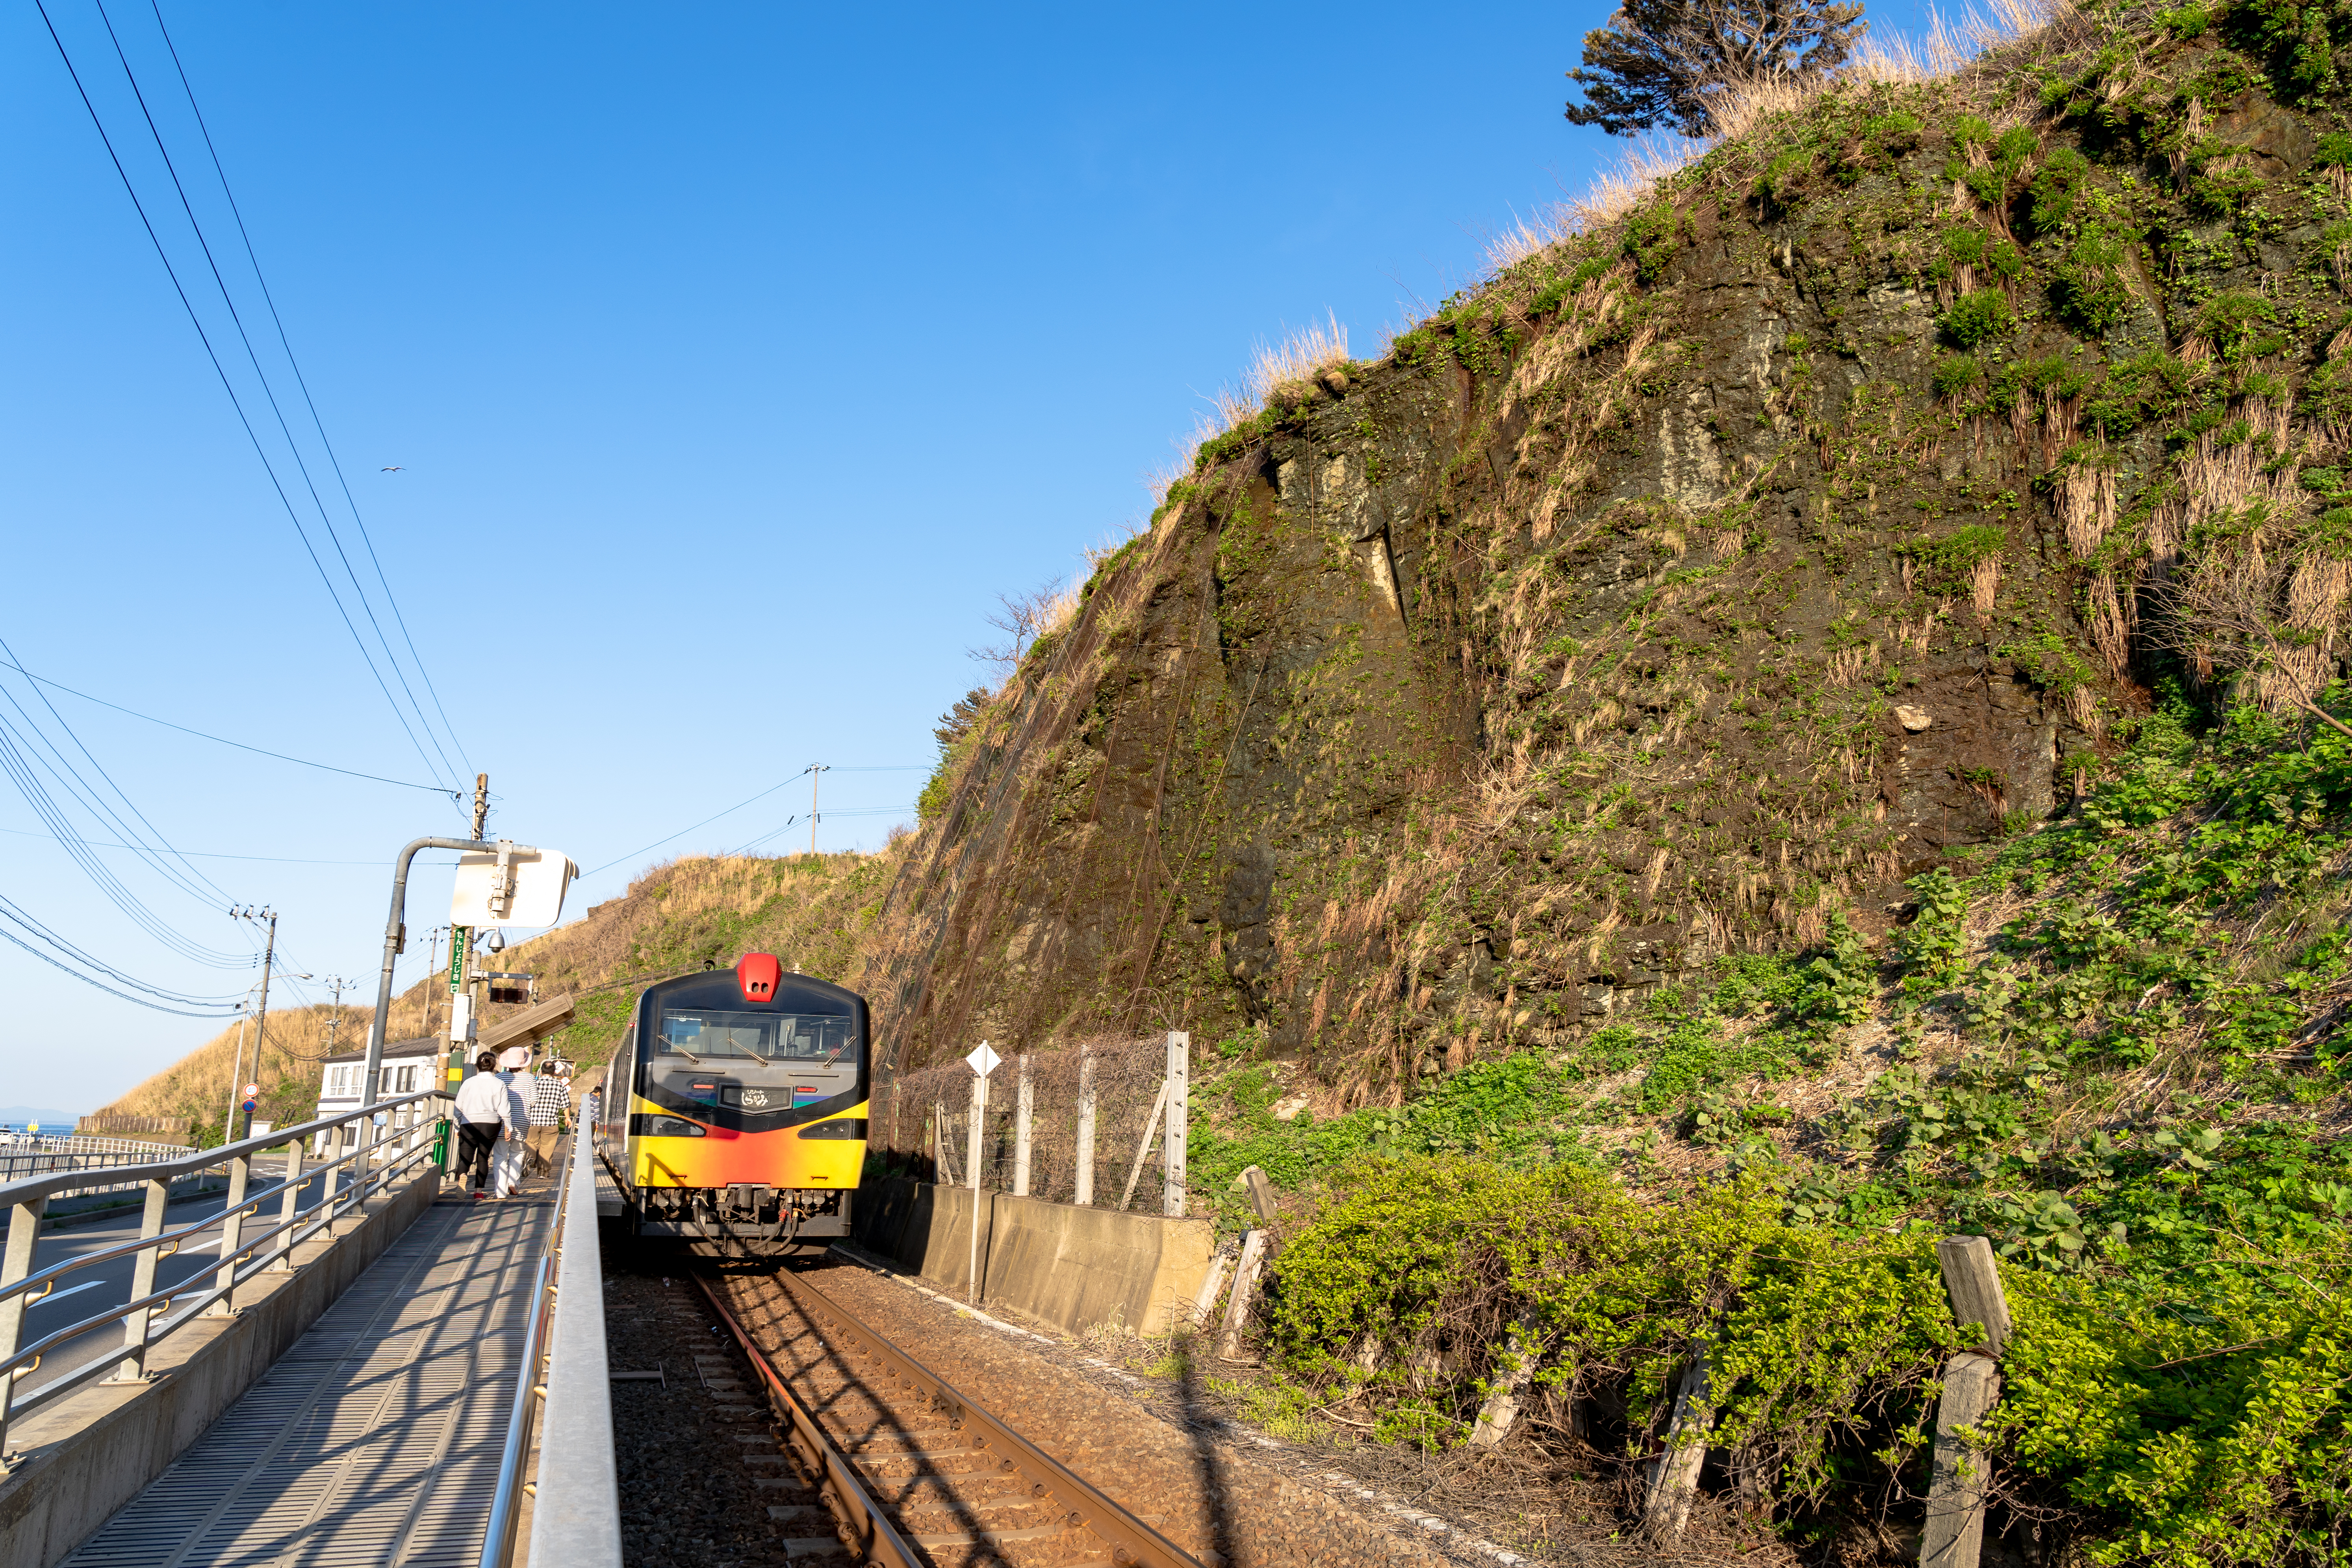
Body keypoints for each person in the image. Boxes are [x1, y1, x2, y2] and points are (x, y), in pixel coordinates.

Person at [452, 1051, 510, 1198]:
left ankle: (463, 1175)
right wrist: (509, 1127)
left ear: (478, 1065)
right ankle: (478, 1192)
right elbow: (504, 1109)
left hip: (469, 1123)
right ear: (494, 1066)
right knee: (483, 1158)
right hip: (491, 1124)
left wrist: (457, 1126)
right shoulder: (499, 1083)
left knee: (465, 1156)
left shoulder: (468, 1083)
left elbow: (459, 1107)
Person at [489, 1064, 529, 1199]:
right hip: (521, 1121)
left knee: (500, 1156)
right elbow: (534, 1100)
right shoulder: (529, 1078)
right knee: (517, 1153)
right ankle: (513, 1183)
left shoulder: (499, 1077)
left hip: (501, 1121)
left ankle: (500, 1191)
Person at [523, 1061, 568, 1176]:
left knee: (530, 1143)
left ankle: (530, 1158)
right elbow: (565, 1104)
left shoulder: (534, 1084)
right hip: (551, 1122)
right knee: (547, 1148)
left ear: (541, 1071)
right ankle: (543, 1172)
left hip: (533, 1121)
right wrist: (568, 1118)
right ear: (554, 1072)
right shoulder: (560, 1085)